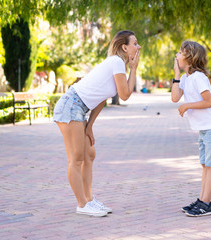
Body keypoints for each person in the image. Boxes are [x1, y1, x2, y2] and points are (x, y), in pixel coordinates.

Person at [53, 30, 141, 217]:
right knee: (76, 158)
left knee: (89, 155)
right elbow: (125, 95)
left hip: (80, 110)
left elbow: (102, 98)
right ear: (124, 47)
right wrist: (134, 68)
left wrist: (90, 125)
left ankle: (89, 200)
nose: (138, 47)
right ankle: (82, 204)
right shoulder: (117, 62)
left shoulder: (117, 65)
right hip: (70, 106)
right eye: (135, 43)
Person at [171, 41, 211, 217]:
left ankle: (206, 203)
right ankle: (202, 200)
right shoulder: (186, 78)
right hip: (204, 129)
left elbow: (209, 102)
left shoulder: (199, 77)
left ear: (190, 57)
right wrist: (177, 75)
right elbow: (174, 97)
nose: (177, 55)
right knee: (205, 165)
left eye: (180, 52)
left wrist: (187, 106)